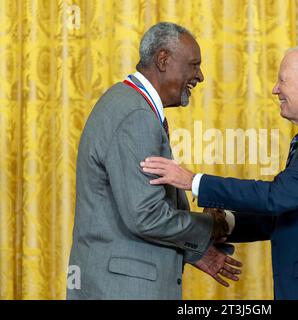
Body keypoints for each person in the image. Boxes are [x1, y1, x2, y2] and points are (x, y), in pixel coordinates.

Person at [141, 45, 298, 300]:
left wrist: (194, 181)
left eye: (282, 79)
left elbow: (277, 196)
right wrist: (227, 224)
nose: (275, 89)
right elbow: (289, 211)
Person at [67, 22, 241, 300]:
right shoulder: (134, 114)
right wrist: (212, 225)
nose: (200, 76)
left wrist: (193, 250)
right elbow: (146, 216)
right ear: (163, 59)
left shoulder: (128, 103)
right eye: (194, 65)